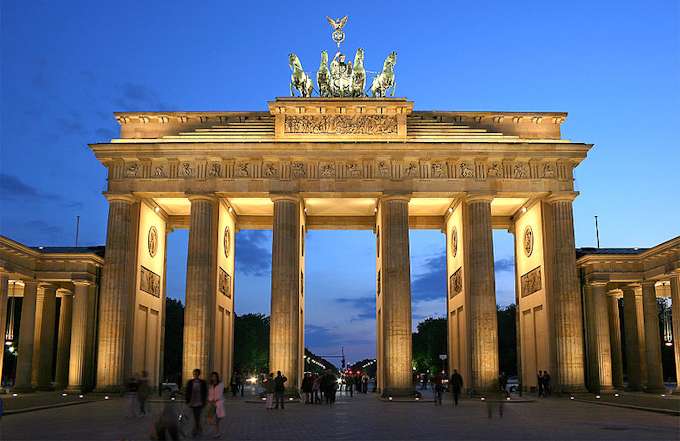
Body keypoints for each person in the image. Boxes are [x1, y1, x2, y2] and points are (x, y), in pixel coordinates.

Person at [185, 368, 207, 437]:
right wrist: (187, 400)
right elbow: (187, 391)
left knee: (197, 416)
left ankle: (195, 431)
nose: (195, 375)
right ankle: (198, 429)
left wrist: (205, 401)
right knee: (196, 417)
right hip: (192, 401)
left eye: (196, 374)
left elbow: (205, 392)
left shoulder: (202, 382)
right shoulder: (190, 382)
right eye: (194, 374)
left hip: (199, 402)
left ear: (199, 374)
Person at [207, 372, 225, 439]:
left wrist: (215, 400)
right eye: (212, 376)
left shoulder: (221, 384)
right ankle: (216, 429)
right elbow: (210, 394)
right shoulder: (210, 385)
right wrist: (209, 400)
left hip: (218, 403)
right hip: (212, 404)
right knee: (209, 418)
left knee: (218, 419)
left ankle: (217, 433)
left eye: (215, 376)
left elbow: (220, 394)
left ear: (217, 377)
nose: (213, 378)